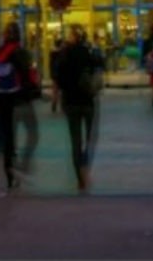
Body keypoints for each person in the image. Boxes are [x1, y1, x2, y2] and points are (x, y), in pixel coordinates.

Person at [0, 21, 38, 192]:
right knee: (33, 133)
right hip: (20, 102)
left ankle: (10, 174)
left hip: (1, 103)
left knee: (8, 139)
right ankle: (23, 164)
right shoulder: (22, 54)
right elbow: (30, 77)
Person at [54, 25, 105, 193]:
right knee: (90, 138)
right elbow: (100, 66)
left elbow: (58, 79)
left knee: (76, 141)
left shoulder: (64, 55)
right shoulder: (88, 53)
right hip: (87, 101)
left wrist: (57, 99)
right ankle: (85, 166)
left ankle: (79, 177)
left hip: (71, 102)